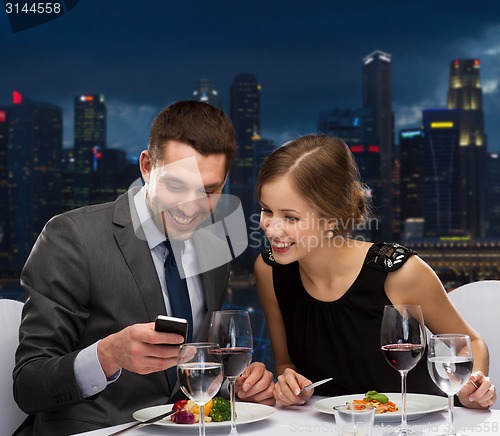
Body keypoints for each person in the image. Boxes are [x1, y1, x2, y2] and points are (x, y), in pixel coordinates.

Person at [13, 101, 275, 435]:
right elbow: (28, 386)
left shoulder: (214, 248)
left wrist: (236, 385)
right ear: (147, 166)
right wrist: (107, 355)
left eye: (210, 190)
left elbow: (193, 368)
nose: (192, 209)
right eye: (177, 185)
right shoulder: (73, 237)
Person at [254, 134, 496, 409]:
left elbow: (470, 342)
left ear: (331, 218)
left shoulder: (399, 273)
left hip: (419, 424)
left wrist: (472, 387)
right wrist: (289, 382)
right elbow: (286, 362)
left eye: (290, 217)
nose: (271, 228)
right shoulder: (269, 270)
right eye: (266, 210)